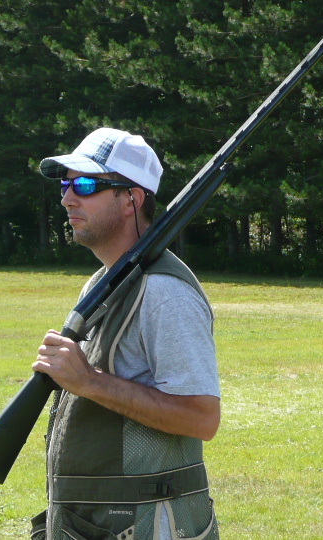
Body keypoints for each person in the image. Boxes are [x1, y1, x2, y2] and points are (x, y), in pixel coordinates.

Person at [29, 128, 221, 540]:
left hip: (147, 525)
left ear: (132, 198)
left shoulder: (164, 292)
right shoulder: (104, 281)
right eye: (65, 184)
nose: (67, 197)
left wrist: (88, 381)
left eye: (85, 184)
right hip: (97, 523)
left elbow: (202, 417)